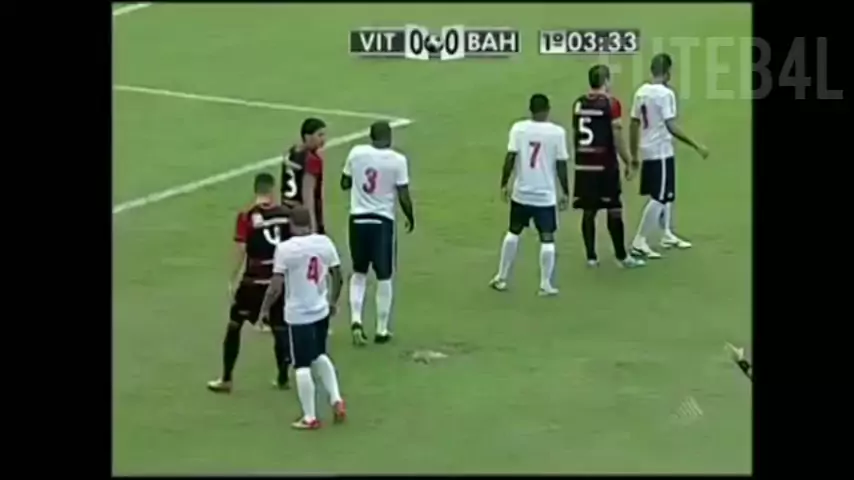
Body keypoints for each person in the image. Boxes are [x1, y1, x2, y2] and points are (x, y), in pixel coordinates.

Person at [258, 206, 346, 430]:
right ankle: (336, 399)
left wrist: (265, 309)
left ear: (292, 225)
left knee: (302, 365)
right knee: (319, 354)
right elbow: (338, 275)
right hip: (320, 309)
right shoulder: (324, 242)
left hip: (299, 314)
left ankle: (310, 417)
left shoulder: (285, 249)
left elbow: (276, 286)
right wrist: (333, 301)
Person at [207, 173, 292, 393]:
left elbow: (241, 249)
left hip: (253, 280)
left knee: (235, 324)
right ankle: (283, 377)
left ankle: (226, 378)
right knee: (280, 327)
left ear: (256, 190)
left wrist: (232, 277)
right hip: (278, 279)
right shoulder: (285, 214)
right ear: (272, 190)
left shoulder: (246, 216)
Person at [340, 121, 415, 345]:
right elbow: (403, 193)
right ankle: (382, 329)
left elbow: (345, 182)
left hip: (357, 219)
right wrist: (410, 216)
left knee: (359, 272)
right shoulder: (397, 160)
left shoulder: (356, 153)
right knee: (384, 275)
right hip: (382, 222)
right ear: (389, 136)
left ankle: (356, 320)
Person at [629, 53, 709, 259]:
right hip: (660, 150)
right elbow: (671, 125)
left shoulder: (641, 92)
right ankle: (639, 240)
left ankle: (666, 233)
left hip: (647, 148)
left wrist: (633, 153)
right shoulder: (665, 94)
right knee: (660, 196)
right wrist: (696, 145)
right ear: (667, 72)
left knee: (667, 193)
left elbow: (634, 123)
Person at [490, 93, 569, 296]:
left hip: (522, 193)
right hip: (545, 195)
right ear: (548, 110)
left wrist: (504, 183)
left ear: (530, 110)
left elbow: (510, 157)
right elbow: (561, 165)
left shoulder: (519, 128)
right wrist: (565, 191)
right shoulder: (557, 132)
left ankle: (501, 277)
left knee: (513, 232)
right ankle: (545, 284)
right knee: (547, 238)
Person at [572, 64, 645, 268]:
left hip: (584, 165)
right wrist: (629, 160)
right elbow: (616, 135)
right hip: (604, 165)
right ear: (606, 81)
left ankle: (591, 257)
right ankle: (622, 256)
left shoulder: (579, 103)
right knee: (614, 208)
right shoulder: (611, 104)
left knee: (589, 210)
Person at [282, 117, 327, 233]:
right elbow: (308, 196)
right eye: (320, 135)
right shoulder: (312, 160)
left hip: (286, 212)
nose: (323, 139)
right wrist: (313, 226)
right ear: (307, 136)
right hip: (303, 218)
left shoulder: (291, 153)